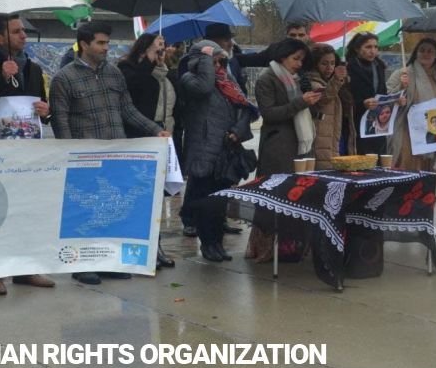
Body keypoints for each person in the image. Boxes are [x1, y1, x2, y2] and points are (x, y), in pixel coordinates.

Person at [51, 21, 170, 285]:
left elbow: (127, 110)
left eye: (108, 42)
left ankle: (108, 261)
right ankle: (82, 264)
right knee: (84, 212)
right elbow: (60, 121)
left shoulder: (114, 74)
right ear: (84, 44)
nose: (106, 48)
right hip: (84, 157)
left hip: (116, 154)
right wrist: (68, 155)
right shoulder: (64, 78)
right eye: (101, 43)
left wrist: (155, 130)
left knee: (112, 210)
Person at [0, 14, 54, 294]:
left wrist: (46, 110)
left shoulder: (34, 68)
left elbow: (42, 106)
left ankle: (25, 269)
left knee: (26, 209)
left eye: (23, 30)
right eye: (16, 31)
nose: (23, 35)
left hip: (27, 151)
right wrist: (2, 77)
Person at [245, 38, 322, 262]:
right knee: (273, 196)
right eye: (295, 59)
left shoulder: (298, 80)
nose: (299, 64)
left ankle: (291, 247)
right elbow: (269, 114)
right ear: (282, 57)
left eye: (302, 60)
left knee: (296, 196)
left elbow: (305, 111)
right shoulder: (267, 79)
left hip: (299, 145)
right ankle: (264, 249)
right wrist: (301, 102)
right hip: (277, 147)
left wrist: (313, 101)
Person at [179, 41, 256, 262]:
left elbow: (244, 107)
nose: (217, 65)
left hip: (225, 150)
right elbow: (203, 88)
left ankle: (218, 242)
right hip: (203, 149)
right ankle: (208, 243)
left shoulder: (227, 80)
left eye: (219, 60)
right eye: (213, 61)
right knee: (205, 200)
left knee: (220, 201)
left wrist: (237, 131)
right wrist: (205, 58)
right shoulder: (190, 79)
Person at [118, 32, 177, 268]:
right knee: (137, 197)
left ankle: (156, 244)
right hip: (137, 137)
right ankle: (137, 247)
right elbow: (135, 90)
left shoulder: (162, 74)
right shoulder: (127, 69)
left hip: (160, 135)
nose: (161, 51)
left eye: (163, 46)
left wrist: (162, 67)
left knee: (156, 197)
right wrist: (149, 62)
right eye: (157, 47)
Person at [386, 37, 436, 193]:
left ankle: (426, 205)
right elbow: (388, 101)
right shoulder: (402, 73)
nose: (426, 54)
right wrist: (401, 88)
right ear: (416, 53)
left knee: (429, 180)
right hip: (408, 134)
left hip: (435, 133)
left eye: (430, 51)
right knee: (408, 176)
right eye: (422, 50)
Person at [305, 44, 355, 170]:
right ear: (315, 64)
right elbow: (323, 98)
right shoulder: (311, 81)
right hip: (322, 138)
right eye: (324, 63)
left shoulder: (337, 81)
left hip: (339, 134)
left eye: (332, 63)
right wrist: (336, 80)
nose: (329, 68)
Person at [346, 32, 389, 156]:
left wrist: (396, 99)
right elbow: (345, 97)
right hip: (357, 122)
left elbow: (383, 93)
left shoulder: (379, 66)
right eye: (368, 47)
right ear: (357, 49)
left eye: (375, 47)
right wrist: (362, 103)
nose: (373, 51)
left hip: (378, 123)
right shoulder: (348, 68)